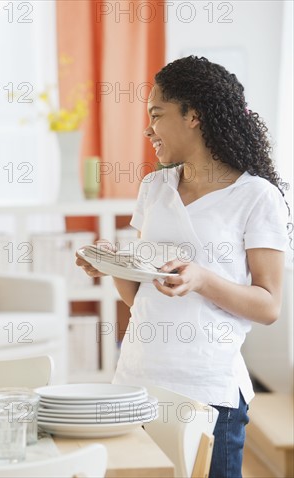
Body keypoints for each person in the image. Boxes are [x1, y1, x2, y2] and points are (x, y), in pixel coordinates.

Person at [76, 56, 290, 478]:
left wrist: (202, 279)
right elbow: (139, 297)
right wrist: (113, 264)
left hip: (207, 391)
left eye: (157, 115)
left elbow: (269, 306)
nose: (147, 128)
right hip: (136, 381)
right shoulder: (154, 187)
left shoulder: (257, 197)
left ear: (194, 115)